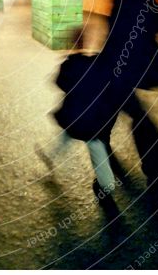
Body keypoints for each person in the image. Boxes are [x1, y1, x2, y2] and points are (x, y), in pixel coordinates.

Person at [98, 0, 158, 184]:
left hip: (121, 65)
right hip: (142, 64)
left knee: (124, 108)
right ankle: (157, 161)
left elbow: (114, 36)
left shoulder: (119, 1)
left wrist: (103, 61)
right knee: (125, 107)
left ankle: (155, 160)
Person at [39, 29, 119, 209]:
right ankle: (107, 185)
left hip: (73, 118)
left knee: (68, 134)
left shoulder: (68, 66)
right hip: (94, 122)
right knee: (97, 152)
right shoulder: (98, 63)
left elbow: (59, 83)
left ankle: (51, 156)